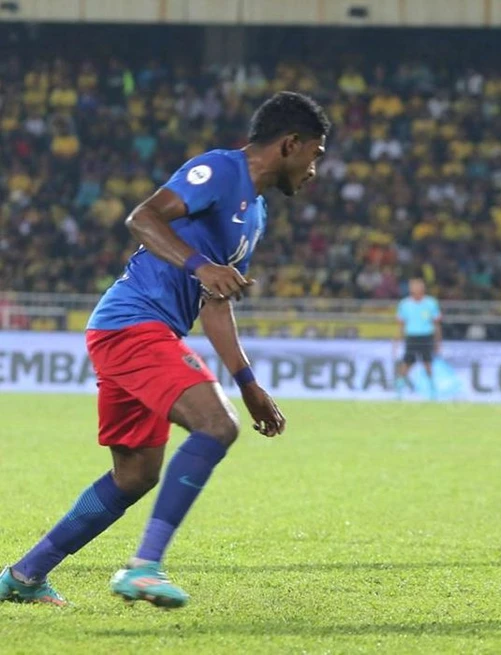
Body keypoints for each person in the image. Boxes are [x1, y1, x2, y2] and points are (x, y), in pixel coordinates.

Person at [0, 91, 330, 608]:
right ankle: (144, 569)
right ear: (290, 144)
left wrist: (248, 384)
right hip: (133, 324)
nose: (314, 169)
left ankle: (24, 575)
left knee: (134, 475)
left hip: (138, 332)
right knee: (216, 426)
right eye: (315, 153)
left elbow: (215, 303)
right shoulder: (219, 170)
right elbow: (143, 217)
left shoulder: (257, 216)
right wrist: (201, 265)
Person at [394, 277, 442, 398]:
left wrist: (438, 342)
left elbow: (436, 324)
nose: (416, 289)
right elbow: (400, 325)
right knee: (407, 363)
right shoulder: (404, 304)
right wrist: (396, 341)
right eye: (414, 286)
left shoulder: (431, 303)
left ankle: (432, 389)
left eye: (419, 286)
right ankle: (399, 389)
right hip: (411, 336)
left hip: (426, 336)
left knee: (427, 363)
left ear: (423, 288)